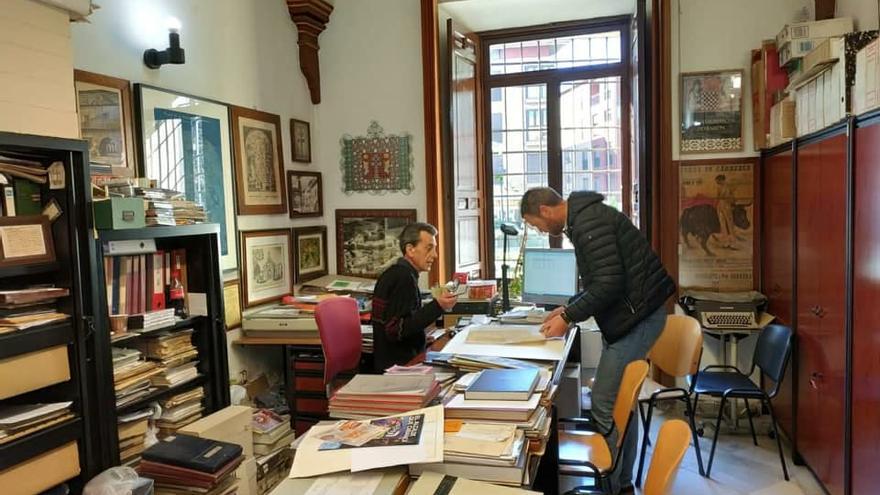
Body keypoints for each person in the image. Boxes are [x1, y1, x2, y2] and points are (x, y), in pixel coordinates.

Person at [520, 187, 675, 494]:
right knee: (621, 403)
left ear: (546, 210)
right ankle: (623, 482)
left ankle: (611, 485)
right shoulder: (583, 218)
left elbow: (609, 283)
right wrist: (568, 307)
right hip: (630, 318)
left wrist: (568, 317)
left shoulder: (588, 222)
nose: (538, 229)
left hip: (638, 318)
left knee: (605, 403)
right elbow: (599, 282)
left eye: (534, 223)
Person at [371, 222, 457, 372]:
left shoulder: (399, 273)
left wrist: (421, 337)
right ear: (410, 249)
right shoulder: (403, 278)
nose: (435, 255)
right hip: (398, 369)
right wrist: (438, 306)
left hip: (398, 361)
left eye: (434, 249)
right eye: (429, 248)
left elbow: (404, 319)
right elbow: (395, 330)